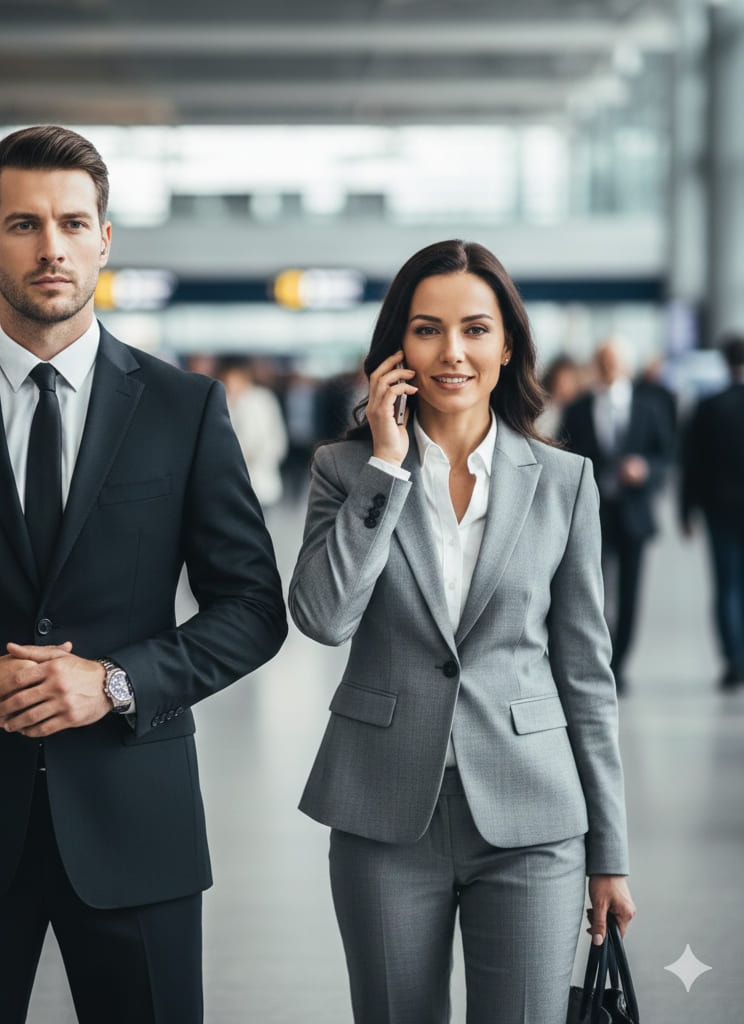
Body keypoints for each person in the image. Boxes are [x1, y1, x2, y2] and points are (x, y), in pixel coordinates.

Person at [0, 125, 287, 1024]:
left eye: (74, 223)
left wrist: (112, 683)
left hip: (136, 822)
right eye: (25, 225)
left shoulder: (183, 410)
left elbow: (253, 607)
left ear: (105, 238)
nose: (52, 247)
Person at [289, 240, 634, 1024]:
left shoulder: (564, 481)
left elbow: (586, 672)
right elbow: (324, 616)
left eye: (476, 330)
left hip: (533, 817)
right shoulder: (344, 472)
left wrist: (609, 853)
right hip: (384, 811)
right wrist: (386, 464)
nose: (453, 353)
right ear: (396, 349)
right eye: (427, 330)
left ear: (507, 344)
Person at [560, 336, 675, 691]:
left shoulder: (649, 406)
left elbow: (666, 458)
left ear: (625, 364)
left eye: (615, 360)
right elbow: (566, 455)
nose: (609, 367)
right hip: (592, 514)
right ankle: (600, 660)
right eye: (603, 360)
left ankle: (619, 663)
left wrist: (645, 470)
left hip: (634, 514)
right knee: (593, 592)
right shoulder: (578, 408)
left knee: (629, 592)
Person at [680, 333, 744, 689]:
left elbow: (693, 463)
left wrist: (685, 511)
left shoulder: (709, 407)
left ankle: (734, 661)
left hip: (719, 509)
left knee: (727, 585)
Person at [216, 354, 289, 509]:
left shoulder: (262, 399)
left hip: (259, 480)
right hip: (228, 483)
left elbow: (275, 440)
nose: (231, 385)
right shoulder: (220, 400)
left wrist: (252, 459)